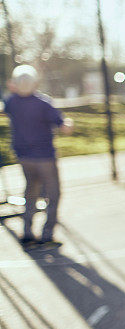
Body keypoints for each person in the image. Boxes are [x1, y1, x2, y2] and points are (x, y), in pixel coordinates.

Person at [3, 64, 73, 246]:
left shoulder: (12, 102)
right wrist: (68, 123)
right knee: (53, 194)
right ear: (35, 82)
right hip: (45, 157)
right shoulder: (43, 103)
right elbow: (63, 125)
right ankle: (47, 234)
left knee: (30, 192)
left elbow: (6, 103)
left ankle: (27, 231)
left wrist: (14, 89)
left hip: (24, 157)